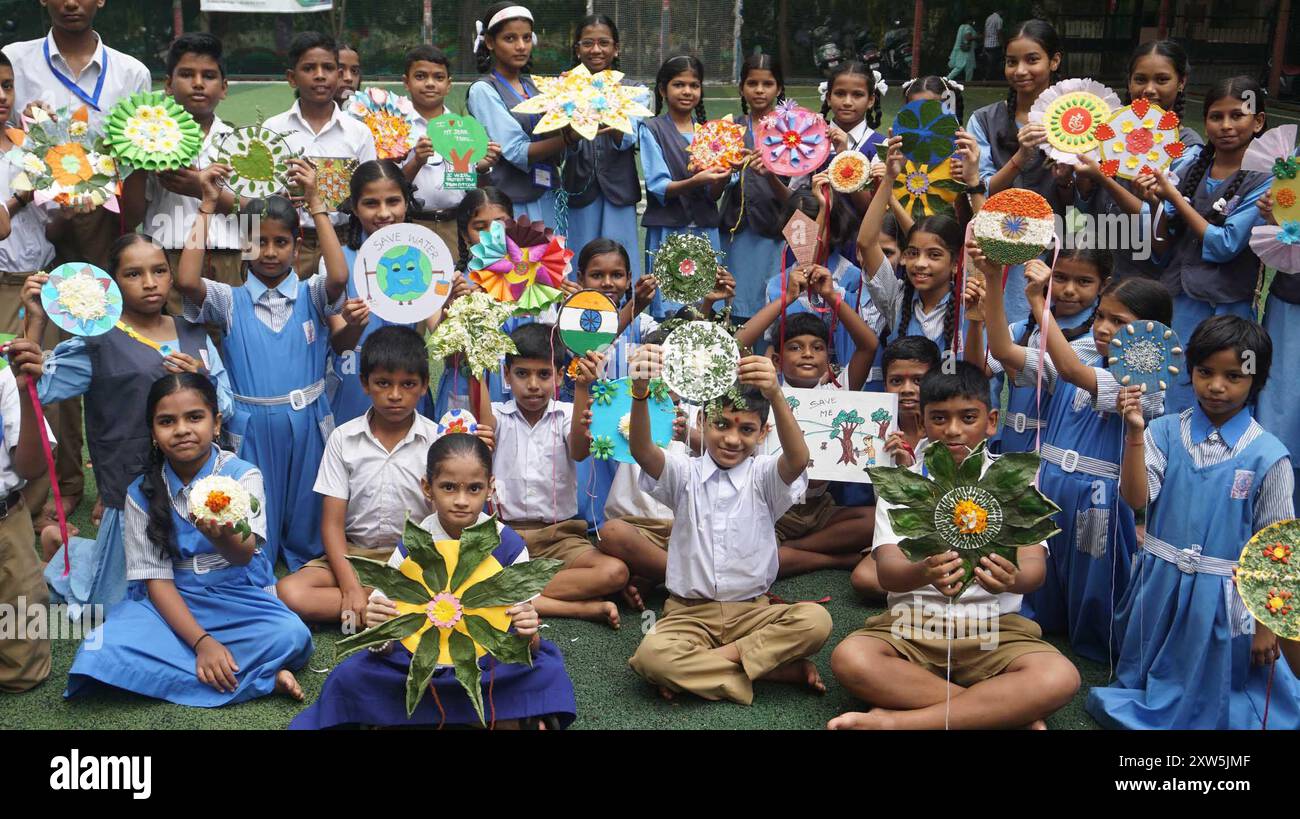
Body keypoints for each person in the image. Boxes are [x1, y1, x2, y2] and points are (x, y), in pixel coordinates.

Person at [828, 363, 1082, 730]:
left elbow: (1034, 572)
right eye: (940, 418)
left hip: (995, 629)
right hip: (912, 626)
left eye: (968, 417)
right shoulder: (903, 487)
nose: (953, 430)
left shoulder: (1016, 485)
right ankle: (1000, 712)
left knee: (1060, 676)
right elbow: (888, 574)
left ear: (991, 421)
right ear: (924, 421)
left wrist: (1010, 579)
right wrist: (921, 572)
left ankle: (900, 723)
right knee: (851, 658)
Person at [1087, 316, 1300, 729]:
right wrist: (1134, 433)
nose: (1217, 386)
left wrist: (1265, 626)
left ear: (1256, 380)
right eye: (1205, 372)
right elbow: (1135, 499)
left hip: (1224, 601)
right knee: (1146, 680)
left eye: (1234, 376)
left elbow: (1278, 549)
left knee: (1220, 697)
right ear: (1190, 372)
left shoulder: (1268, 455)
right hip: (1159, 586)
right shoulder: (1163, 432)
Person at [289, 432, 577, 729]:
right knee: (351, 674)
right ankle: (506, 718)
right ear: (427, 487)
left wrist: (527, 633)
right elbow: (385, 642)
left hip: (487, 661)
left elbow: (526, 644)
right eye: (449, 487)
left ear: (490, 488)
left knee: (546, 669)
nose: (462, 501)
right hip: (418, 660)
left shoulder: (510, 547)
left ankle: (401, 717)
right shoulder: (413, 544)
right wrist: (379, 631)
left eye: (474, 488)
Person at [64, 373, 313, 707]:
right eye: (167, 421)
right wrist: (202, 643)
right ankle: (260, 678)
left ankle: (210, 670)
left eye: (194, 417)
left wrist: (224, 538)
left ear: (216, 423)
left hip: (236, 595)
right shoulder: (140, 492)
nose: (181, 429)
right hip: (171, 599)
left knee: (291, 636)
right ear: (153, 432)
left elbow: (244, 556)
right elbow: (157, 582)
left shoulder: (242, 475)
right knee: (101, 649)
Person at [973, 251, 1168, 663]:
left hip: (1098, 493)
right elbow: (1005, 350)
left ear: (1152, 335)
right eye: (1103, 316)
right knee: (1045, 572)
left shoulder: (1146, 381)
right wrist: (993, 279)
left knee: (1095, 580)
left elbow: (1073, 372)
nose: (1104, 328)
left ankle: (1101, 648)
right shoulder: (1077, 348)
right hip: (1048, 482)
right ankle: (1043, 628)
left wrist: (1040, 304)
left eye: (1120, 323)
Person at [2, 0, 152, 527]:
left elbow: (138, 158)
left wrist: (126, 238)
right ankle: (58, 488)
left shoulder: (131, 71)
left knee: (113, 357)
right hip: (40, 230)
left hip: (107, 224)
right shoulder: (16, 61)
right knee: (45, 363)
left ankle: (123, 480)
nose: (71, 2)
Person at [26, 234, 233, 613]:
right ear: (113, 284)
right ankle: (65, 559)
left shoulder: (194, 333)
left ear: (171, 277)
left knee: (193, 592)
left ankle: (68, 547)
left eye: (159, 271)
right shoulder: (99, 342)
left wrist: (204, 376)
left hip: (192, 486)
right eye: (134, 274)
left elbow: (228, 405)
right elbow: (38, 385)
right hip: (131, 485)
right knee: (118, 604)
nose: (150, 283)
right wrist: (36, 323)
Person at [626, 346, 833, 704]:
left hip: (754, 612)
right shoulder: (684, 473)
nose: (733, 439)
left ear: (763, 432)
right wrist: (640, 391)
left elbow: (798, 458)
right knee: (651, 656)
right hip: (689, 615)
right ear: (702, 421)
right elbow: (642, 450)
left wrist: (775, 393)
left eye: (747, 429)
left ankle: (704, 669)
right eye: (722, 424)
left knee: (817, 620)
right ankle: (772, 670)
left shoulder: (764, 475)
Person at [178, 162, 347, 571]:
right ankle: (259, 569)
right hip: (250, 426)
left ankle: (308, 569)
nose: (269, 253)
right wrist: (206, 205)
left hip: (308, 422)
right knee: (255, 505)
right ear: (243, 245)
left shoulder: (312, 293)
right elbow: (185, 281)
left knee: (308, 505)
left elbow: (339, 274)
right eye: (258, 243)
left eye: (280, 242)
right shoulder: (228, 299)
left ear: (297, 243)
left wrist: (317, 203)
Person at [278, 326, 471, 625]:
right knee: (291, 592)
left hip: (417, 558)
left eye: (408, 384)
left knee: (457, 581)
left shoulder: (437, 440)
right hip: (355, 556)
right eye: (383, 383)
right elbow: (331, 524)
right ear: (365, 384)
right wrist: (351, 586)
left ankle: (371, 611)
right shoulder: (343, 438)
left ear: (423, 387)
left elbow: (448, 522)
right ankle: (399, 607)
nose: (395, 395)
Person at [488, 323, 626, 626]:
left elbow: (579, 452)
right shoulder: (496, 414)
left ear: (560, 376)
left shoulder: (565, 414)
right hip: (502, 536)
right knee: (466, 574)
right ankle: (580, 608)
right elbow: (479, 442)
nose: (533, 385)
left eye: (544, 374)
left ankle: (510, 591)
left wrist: (581, 388)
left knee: (615, 572)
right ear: (506, 376)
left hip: (558, 538)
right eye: (522, 374)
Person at [1146, 77, 1268, 415]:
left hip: (1227, 304)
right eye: (1216, 116)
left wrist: (1171, 196)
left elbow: (1224, 244)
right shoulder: (1192, 165)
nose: (1226, 126)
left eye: (1237, 116)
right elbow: (1161, 237)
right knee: (1173, 383)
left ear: (1258, 122)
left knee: (1223, 385)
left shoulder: (1267, 178)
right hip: (1179, 297)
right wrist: (1156, 203)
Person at [129, 33, 243, 315]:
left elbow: (259, 213)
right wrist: (135, 160)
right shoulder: (146, 140)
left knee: (229, 349)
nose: (198, 83)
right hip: (168, 259)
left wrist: (200, 191)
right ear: (168, 84)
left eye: (209, 75)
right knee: (174, 346)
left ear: (224, 87)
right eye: (187, 74)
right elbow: (131, 216)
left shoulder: (242, 143)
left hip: (231, 259)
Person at [966, 19, 1065, 325]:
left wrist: (1071, 177)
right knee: (985, 333)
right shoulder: (984, 119)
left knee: (1037, 342)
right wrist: (1021, 157)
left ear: (1055, 60)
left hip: (1056, 246)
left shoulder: (1075, 121)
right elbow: (981, 188)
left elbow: (1086, 197)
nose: (1020, 71)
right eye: (1012, 62)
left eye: (1032, 60)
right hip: (994, 245)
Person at [263, 31, 378, 280]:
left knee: (343, 310)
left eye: (328, 67)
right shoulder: (272, 130)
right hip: (290, 244)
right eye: (309, 68)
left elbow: (371, 192)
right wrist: (277, 199)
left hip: (344, 240)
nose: (319, 75)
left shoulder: (359, 132)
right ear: (292, 78)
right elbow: (258, 191)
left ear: (338, 74)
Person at [848, 335, 941, 601]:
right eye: (896, 381)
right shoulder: (875, 429)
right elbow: (884, 505)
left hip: (934, 531)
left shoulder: (946, 430)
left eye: (919, 380)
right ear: (885, 383)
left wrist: (908, 470)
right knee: (864, 580)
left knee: (868, 578)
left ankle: (919, 581)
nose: (907, 389)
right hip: (893, 531)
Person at [639, 54, 728, 320]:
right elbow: (658, 185)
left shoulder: (712, 134)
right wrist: (696, 181)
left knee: (706, 305)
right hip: (668, 231)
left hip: (705, 231)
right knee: (669, 308)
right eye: (679, 84)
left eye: (694, 85)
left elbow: (715, 194)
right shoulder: (651, 128)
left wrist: (723, 175)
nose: (687, 91)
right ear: (662, 90)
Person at [561, 15, 647, 290]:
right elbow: (558, 141)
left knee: (621, 260)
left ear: (616, 48)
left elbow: (629, 138)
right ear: (577, 49)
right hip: (577, 188)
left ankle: (628, 322)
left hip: (619, 190)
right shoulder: (563, 88)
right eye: (588, 43)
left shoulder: (635, 91)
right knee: (579, 260)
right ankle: (574, 318)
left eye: (603, 43)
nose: (595, 50)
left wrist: (614, 119)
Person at [466, 2, 567, 225]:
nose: (521, 46)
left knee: (551, 258)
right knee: (520, 259)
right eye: (510, 38)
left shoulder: (535, 87)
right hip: (510, 204)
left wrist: (572, 102)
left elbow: (557, 151)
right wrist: (569, 138)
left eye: (527, 38)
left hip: (547, 194)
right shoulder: (483, 90)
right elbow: (515, 150)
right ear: (490, 42)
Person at [401, 44, 501, 253]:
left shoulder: (465, 129)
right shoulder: (396, 127)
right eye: (420, 76)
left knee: (458, 282)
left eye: (438, 77)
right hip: (411, 224)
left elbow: (474, 190)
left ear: (448, 85)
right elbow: (391, 187)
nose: (430, 83)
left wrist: (482, 167)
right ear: (406, 83)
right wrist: (416, 162)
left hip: (456, 225)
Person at [0, 338, 58, 693]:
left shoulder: (5, 367)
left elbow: (33, 467)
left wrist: (24, 392)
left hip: (4, 523)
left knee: (25, 672)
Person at [721, 54, 792, 323]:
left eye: (768, 83)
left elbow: (799, 196)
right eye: (752, 83)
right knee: (733, 303)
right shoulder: (729, 129)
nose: (760, 90)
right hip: (735, 232)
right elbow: (716, 187)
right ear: (742, 87)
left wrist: (771, 174)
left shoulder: (793, 132)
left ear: (779, 88)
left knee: (770, 305)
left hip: (775, 231)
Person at [948, 18, 978, 83]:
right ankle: (947, 79)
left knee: (967, 68)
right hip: (967, 51)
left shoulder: (961, 27)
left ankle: (968, 82)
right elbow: (967, 37)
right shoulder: (968, 27)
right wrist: (978, 37)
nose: (973, 22)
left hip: (962, 50)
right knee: (961, 67)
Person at [983, 9, 1004, 80]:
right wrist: (1002, 44)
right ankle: (991, 79)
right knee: (994, 63)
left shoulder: (988, 18)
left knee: (989, 63)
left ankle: (987, 78)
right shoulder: (999, 19)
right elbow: (999, 33)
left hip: (987, 44)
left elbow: (985, 32)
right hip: (995, 45)